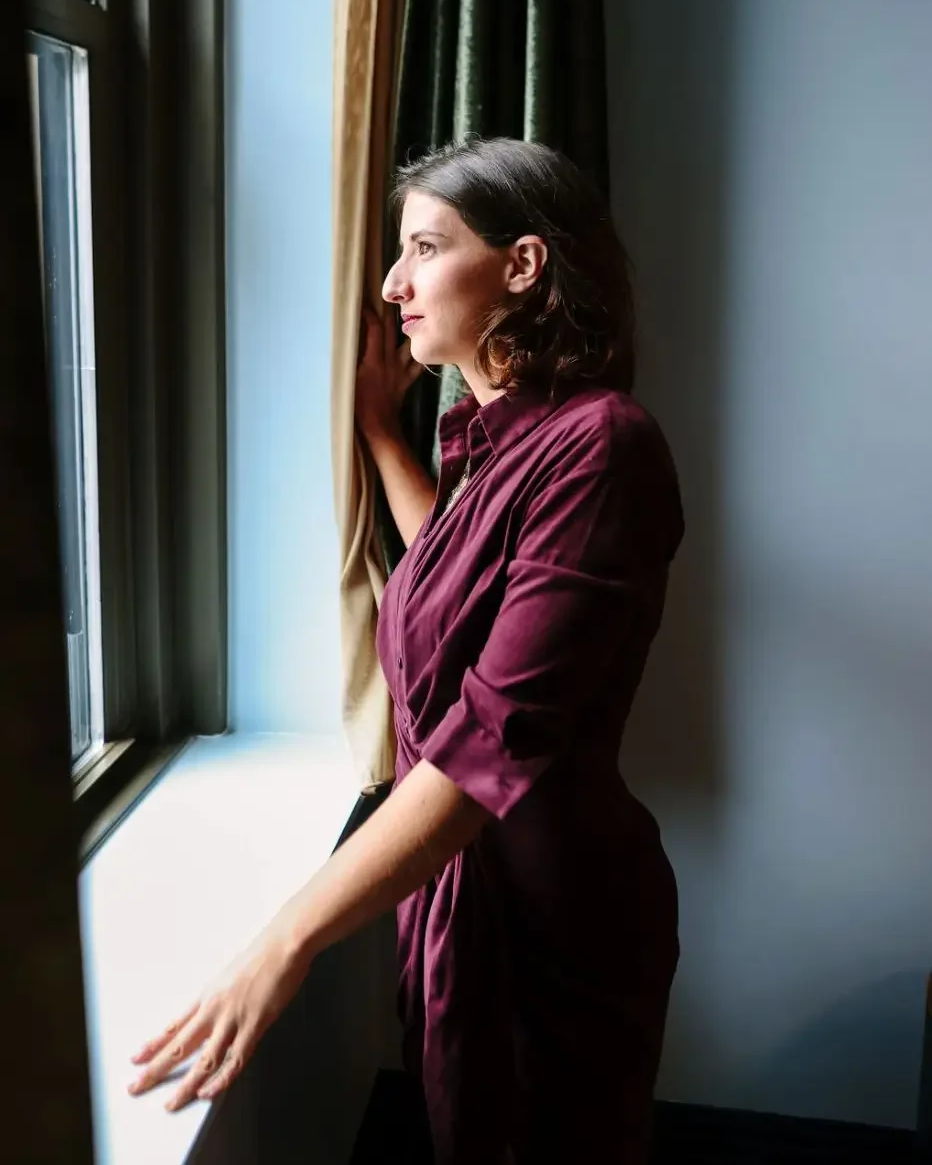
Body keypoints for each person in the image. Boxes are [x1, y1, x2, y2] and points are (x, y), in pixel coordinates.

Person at [129, 137, 684, 1164]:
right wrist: (384, 436)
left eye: (424, 248)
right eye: (397, 253)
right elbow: (453, 572)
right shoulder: (496, 440)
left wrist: (281, 944)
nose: (393, 284)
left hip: (555, 915)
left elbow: (483, 751)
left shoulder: (602, 446)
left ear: (521, 265)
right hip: (463, 895)